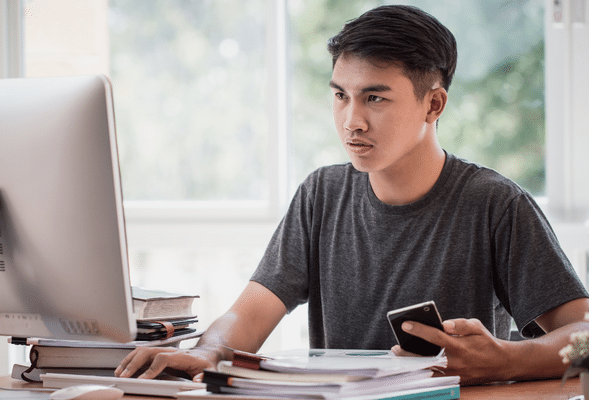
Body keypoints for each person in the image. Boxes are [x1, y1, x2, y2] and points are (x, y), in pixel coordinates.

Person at [115, 5, 589, 385]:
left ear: (434, 103)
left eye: (375, 98)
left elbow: (583, 333)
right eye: (341, 95)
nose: (352, 121)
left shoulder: (495, 204)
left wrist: (507, 358)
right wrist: (205, 351)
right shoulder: (322, 194)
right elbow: (249, 313)